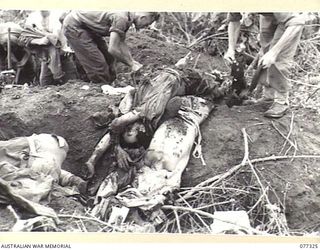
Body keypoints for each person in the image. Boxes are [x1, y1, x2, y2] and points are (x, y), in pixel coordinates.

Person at [85, 66, 227, 180]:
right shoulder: (152, 117)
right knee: (216, 93)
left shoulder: (136, 111)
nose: (130, 129)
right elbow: (175, 103)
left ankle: (223, 82)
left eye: (128, 130)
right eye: (131, 132)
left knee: (217, 91)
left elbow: (116, 124)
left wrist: (96, 158)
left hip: (160, 75)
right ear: (142, 130)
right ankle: (224, 83)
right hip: (183, 78)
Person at [224, 13, 306, 118]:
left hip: (290, 19)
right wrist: (231, 49)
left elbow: (297, 21)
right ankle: (269, 98)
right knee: (266, 50)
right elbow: (234, 20)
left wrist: (274, 52)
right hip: (268, 13)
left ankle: (281, 101)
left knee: (278, 57)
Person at [62, 11, 160, 84]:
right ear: (143, 17)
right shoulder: (122, 18)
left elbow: (121, 43)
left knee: (108, 58)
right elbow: (113, 49)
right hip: (74, 26)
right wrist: (131, 64)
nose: (145, 27)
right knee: (98, 64)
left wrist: (133, 61)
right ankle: (100, 89)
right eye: (146, 24)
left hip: (88, 28)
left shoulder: (128, 18)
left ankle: (110, 84)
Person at [25, 10, 78, 85]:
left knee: (72, 83)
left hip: (64, 52)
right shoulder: (33, 17)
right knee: (45, 83)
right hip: (47, 55)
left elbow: (58, 35)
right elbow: (24, 37)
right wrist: (39, 40)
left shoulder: (58, 14)